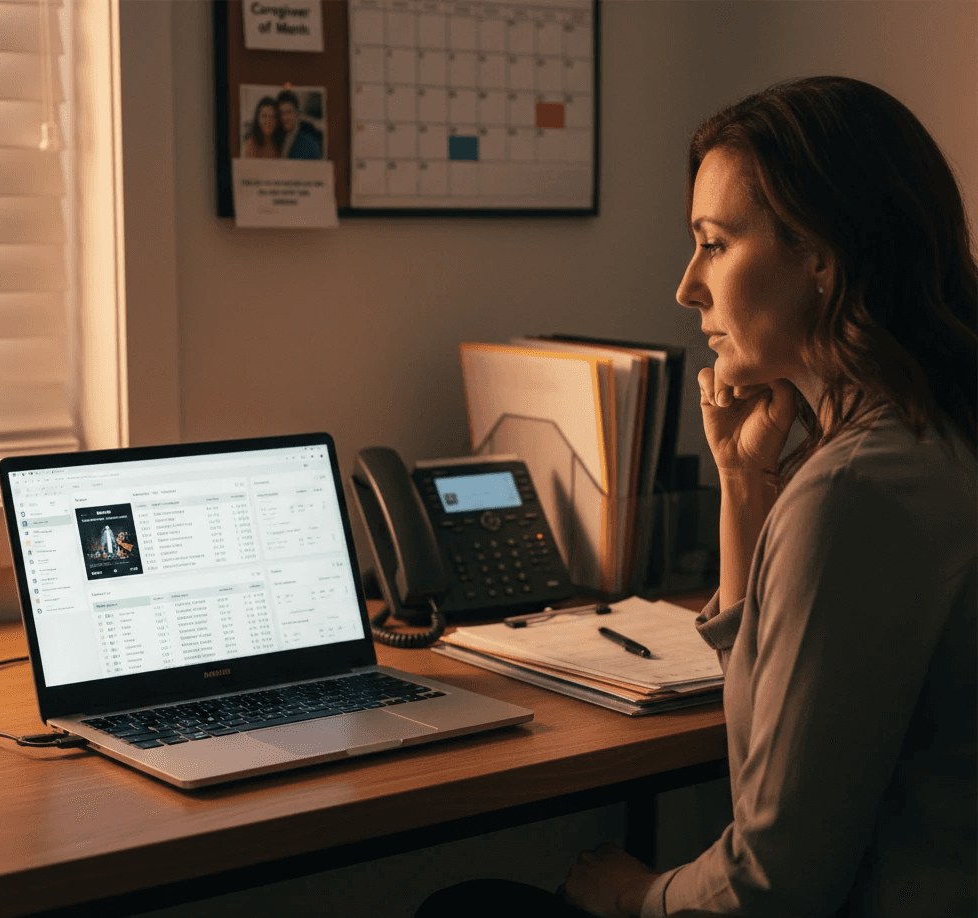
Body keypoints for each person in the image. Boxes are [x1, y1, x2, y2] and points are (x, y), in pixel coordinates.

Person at [415, 76, 977, 918]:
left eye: (714, 243)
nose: (687, 286)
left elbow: (771, 884)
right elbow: (774, 726)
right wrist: (744, 488)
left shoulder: (852, 493)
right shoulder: (934, 437)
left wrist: (634, 895)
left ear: (821, 259)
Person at [276, 89, 322, 160]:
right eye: (281, 113)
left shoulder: (310, 144)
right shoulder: (278, 138)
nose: (284, 117)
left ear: (297, 113)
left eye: (289, 112)